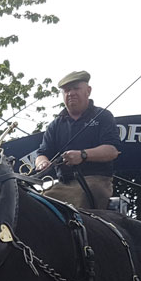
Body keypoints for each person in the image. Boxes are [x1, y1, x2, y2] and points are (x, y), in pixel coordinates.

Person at [34, 71, 121, 209]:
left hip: (96, 181)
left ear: (88, 91)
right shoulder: (55, 124)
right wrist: (42, 163)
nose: (71, 93)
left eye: (76, 88)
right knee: (37, 205)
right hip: (63, 184)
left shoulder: (103, 116)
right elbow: (42, 153)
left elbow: (112, 151)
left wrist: (82, 155)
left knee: (76, 206)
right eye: (67, 90)